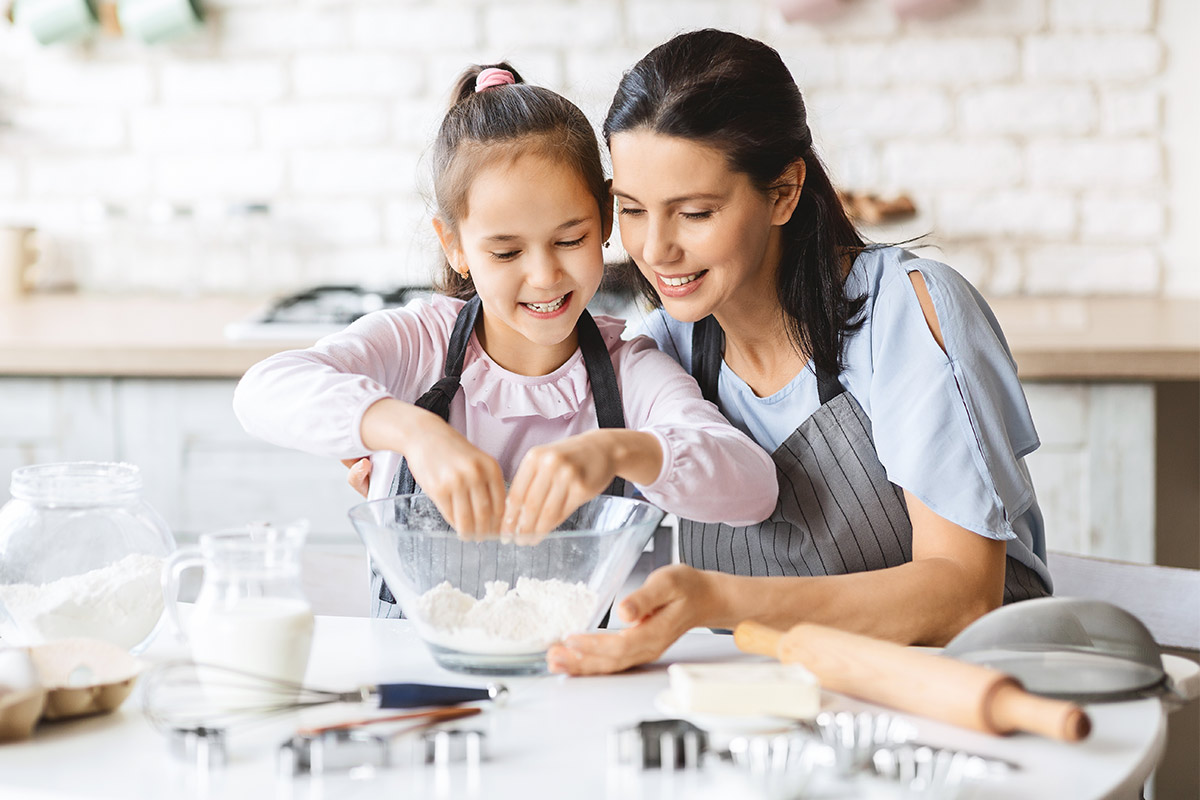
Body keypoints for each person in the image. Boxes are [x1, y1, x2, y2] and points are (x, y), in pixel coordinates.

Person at [541, 29, 1052, 675]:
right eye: (633, 210)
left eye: (694, 213)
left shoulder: (908, 313)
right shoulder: (666, 349)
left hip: (974, 691)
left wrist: (720, 600)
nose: (656, 249)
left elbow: (964, 594)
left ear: (783, 191)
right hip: (782, 702)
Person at [233, 63, 778, 619]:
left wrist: (619, 450)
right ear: (454, 245)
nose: (544, 276)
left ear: (607, 216)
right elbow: (263, 390)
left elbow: (754, 488)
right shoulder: (419, 342)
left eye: (571, 239)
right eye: (506, 252)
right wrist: (412, 429)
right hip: (415, 667)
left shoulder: (631, 369)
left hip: (573, 677)